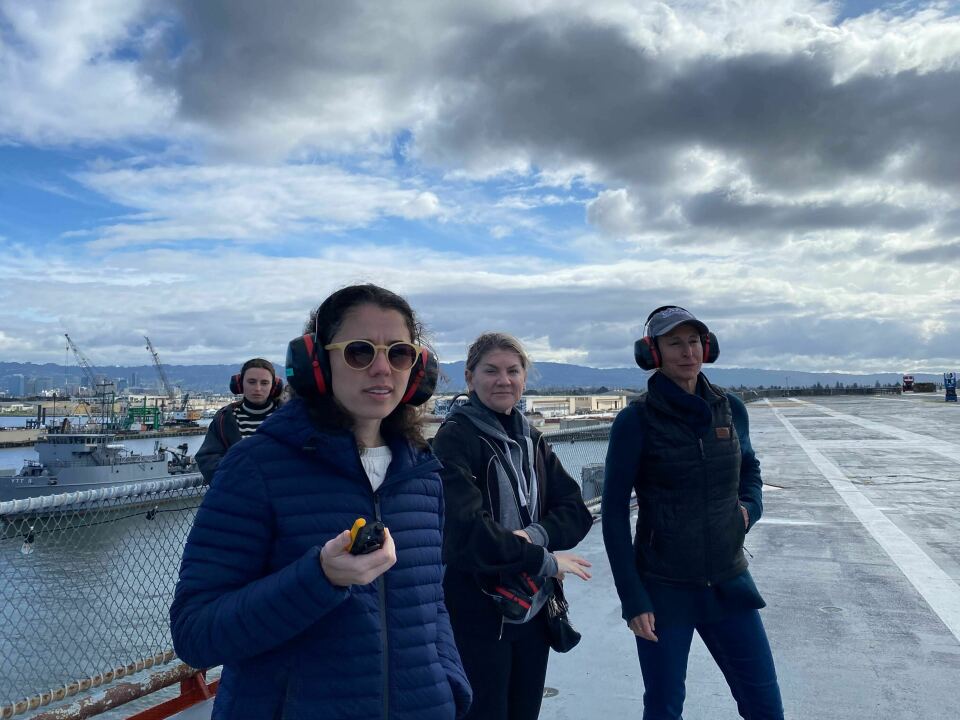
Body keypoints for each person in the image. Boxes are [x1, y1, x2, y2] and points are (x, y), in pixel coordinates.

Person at [170, 284, 471, 719]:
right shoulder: (255, 466)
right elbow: (195, 633)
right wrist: (320, 579)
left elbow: (432, 605)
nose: (382, 369)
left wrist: (447, 687)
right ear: (317, 364)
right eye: (359, 352)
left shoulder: (423, 473)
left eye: (399, 353)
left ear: (417, 369)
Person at [601, 305, 784, 720]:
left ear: (708, 347)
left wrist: (747, 511)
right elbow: (613, 514)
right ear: (653, 353)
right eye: (674, 343)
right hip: (665, 588)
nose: (688, 352)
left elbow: (750, 470)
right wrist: (633, 598)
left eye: (695, 341)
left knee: (766, 705)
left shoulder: (730, 408)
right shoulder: (636, 421)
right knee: (664, 707)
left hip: (729, 579)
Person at [432, 332, 594, 720]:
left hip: (532, 605)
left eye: (512, 371)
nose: (503, 380)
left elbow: (576, 511)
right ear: (470, 379)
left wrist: (533, 537)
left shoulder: (532, 438)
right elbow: (469, 534)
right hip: (479, 608)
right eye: (491, 371)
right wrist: (546, 559)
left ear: (524, 378)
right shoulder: (454, 439)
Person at [195, 358, 282, 482]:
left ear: (274, 386)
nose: (257, 388)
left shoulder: (288, 417)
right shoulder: (224, 418)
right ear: (240, 384)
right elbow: (207, 458)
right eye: (251, 382)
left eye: (264, 383)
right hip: (239, 495)